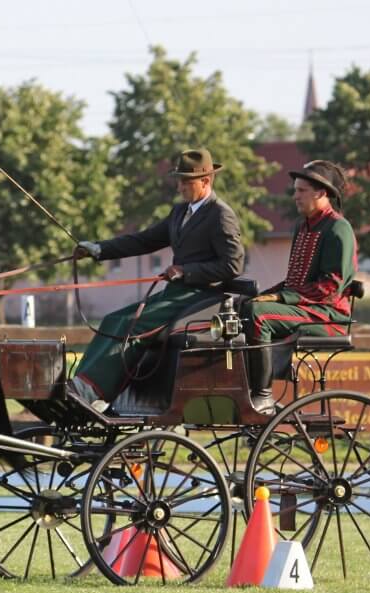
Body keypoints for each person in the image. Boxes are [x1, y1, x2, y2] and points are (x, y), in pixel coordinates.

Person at [70, 148, 244, 407]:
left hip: (202, 298)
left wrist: (188, 271)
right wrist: (99, 249)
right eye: (179, 180)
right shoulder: (180, 212)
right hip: (178, 294)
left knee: (132, 322)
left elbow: (233, 264)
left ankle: (95, 393)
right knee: (112, 319)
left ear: (206, 181)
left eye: (186, 181)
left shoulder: (221, 215)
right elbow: (144, 240)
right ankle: (80, 383)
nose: (179, 187)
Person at [241, 160, 357, 413]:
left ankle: (261, 395)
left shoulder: (338, 228)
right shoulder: (302, 227)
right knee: (243, 307)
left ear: (321, 193)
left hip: (329, 316)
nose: (295, 196)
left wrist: (281, 298)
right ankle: (243, 386)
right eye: (295, 190)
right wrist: (268, 295)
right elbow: (295, 281)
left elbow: (330, 287)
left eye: (301, 191)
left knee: (259, 316)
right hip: (305, 308)